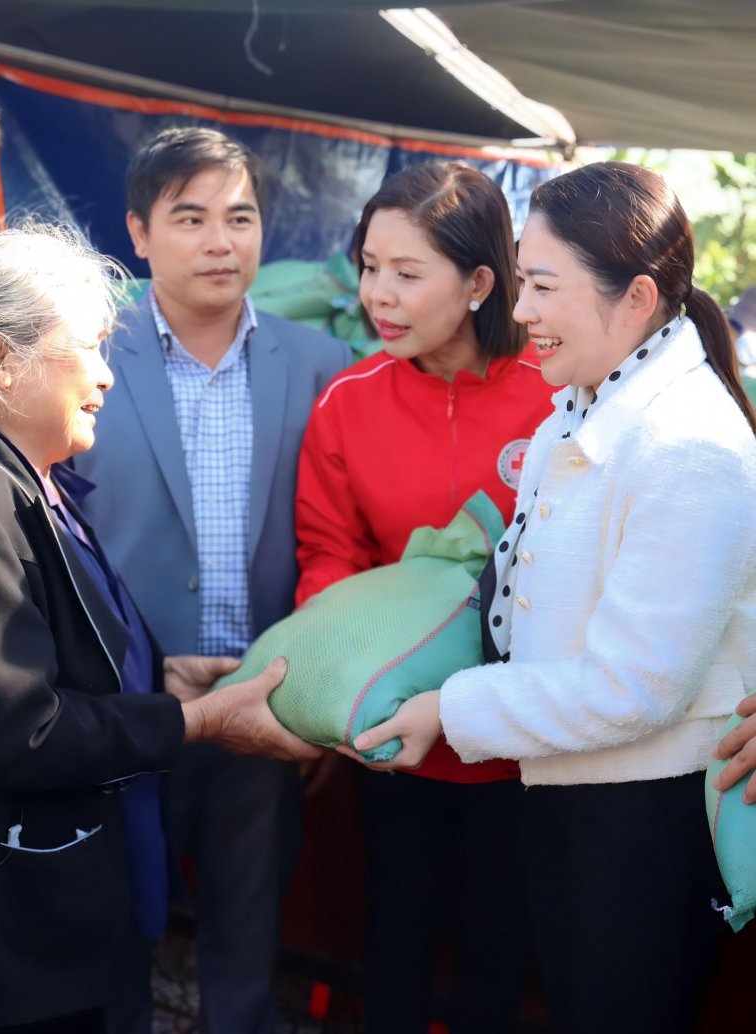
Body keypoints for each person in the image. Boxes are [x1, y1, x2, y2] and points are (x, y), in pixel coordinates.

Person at [0, 225, 320, 1034]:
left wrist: (161, 678)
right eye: (87, 348)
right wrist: (191, 721)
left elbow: (62, 658)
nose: (107, 377)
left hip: (30, 923)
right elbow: (19, 729)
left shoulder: (24, 481)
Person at [345, 161, 756, 1034]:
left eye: (540, 286)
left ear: (637, 298)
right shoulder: (583, 400)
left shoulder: (690, 449)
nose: (521, 311)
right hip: (571, 785)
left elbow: (635, 687)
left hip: (641, 809)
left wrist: (449, 709)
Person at [71, 126, 350, 1033]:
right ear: (139, 233)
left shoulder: (320, 365)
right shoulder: (86, 355)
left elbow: (337, 541)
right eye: (190, 218)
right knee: (110, 922)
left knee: (247, 925)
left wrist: (309, 695)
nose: (221, 242)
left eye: (240, 217)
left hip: (261, 702)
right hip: (123, 703)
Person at [294, 161, 554, 1034]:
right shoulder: (348, 401)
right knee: (393, 935)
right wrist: (351, 682)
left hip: (528, 737)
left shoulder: (559, 397)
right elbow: (331, 552)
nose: (379, 294)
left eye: (408, 274)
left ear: (482, 282)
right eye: (370, 266)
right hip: (395, 736)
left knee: (501, 946)